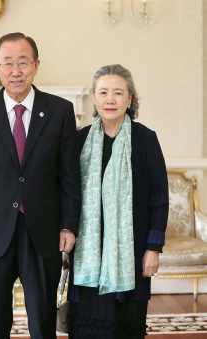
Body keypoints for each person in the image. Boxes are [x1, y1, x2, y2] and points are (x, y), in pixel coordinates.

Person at [0, 32, 80, 339]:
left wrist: (68, 225)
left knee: (42, 321)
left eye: (23, 62)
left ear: (36, 65)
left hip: (43, 229)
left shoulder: (60, 111)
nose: (16, 71)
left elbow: (69, 175)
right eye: (8, 63)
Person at [68, 64, 169, 339]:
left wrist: (154, 247)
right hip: (88, 254)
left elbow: (159, 197)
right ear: (94, 98)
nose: (110, 99)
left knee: (128, 326)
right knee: (88, 327)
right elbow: (68, 193)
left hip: (132, 252)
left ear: (130, 99)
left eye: (118, 93)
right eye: (103, 92)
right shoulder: (78, 141)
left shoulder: (146, 139)